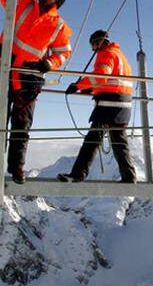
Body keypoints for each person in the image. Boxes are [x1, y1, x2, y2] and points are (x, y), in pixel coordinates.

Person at [0, 0, 72, 184]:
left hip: (28, 77)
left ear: (57, 3)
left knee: (22, 126)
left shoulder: (59, 26)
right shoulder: (22, 2)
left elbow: (64, 52)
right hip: (5, 69)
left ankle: (17, 168)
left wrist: (48, 63)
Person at [58, 29, 137, 183]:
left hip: (109, 105)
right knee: (119, 142)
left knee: (92, 141)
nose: (94, 50)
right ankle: (129, 176)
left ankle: (77, 174)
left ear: (98, 42)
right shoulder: (121, 56)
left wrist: (78, 86)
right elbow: (111, 81)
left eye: (93, 46)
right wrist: (91, 89)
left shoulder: (106, 54)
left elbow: (100, 75)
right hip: (123, 105)